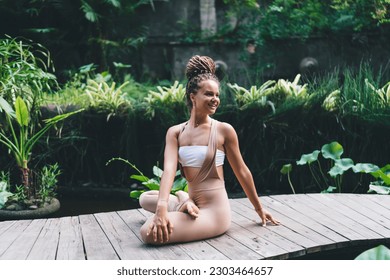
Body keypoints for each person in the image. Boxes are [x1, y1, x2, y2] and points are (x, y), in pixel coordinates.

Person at [139, 55, 279, 245]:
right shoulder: (175, 132)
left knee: (148, 232)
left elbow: (242, 172)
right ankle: (183, 201)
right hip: (194, 204)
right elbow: (169, 171)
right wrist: (162, 206)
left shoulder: (224, 130)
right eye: (208, 94)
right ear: (192, 97)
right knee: (145, 198)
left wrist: (259, 209)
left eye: (217, 95)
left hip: (214, 213)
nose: (215, 99)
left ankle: (182, 201)